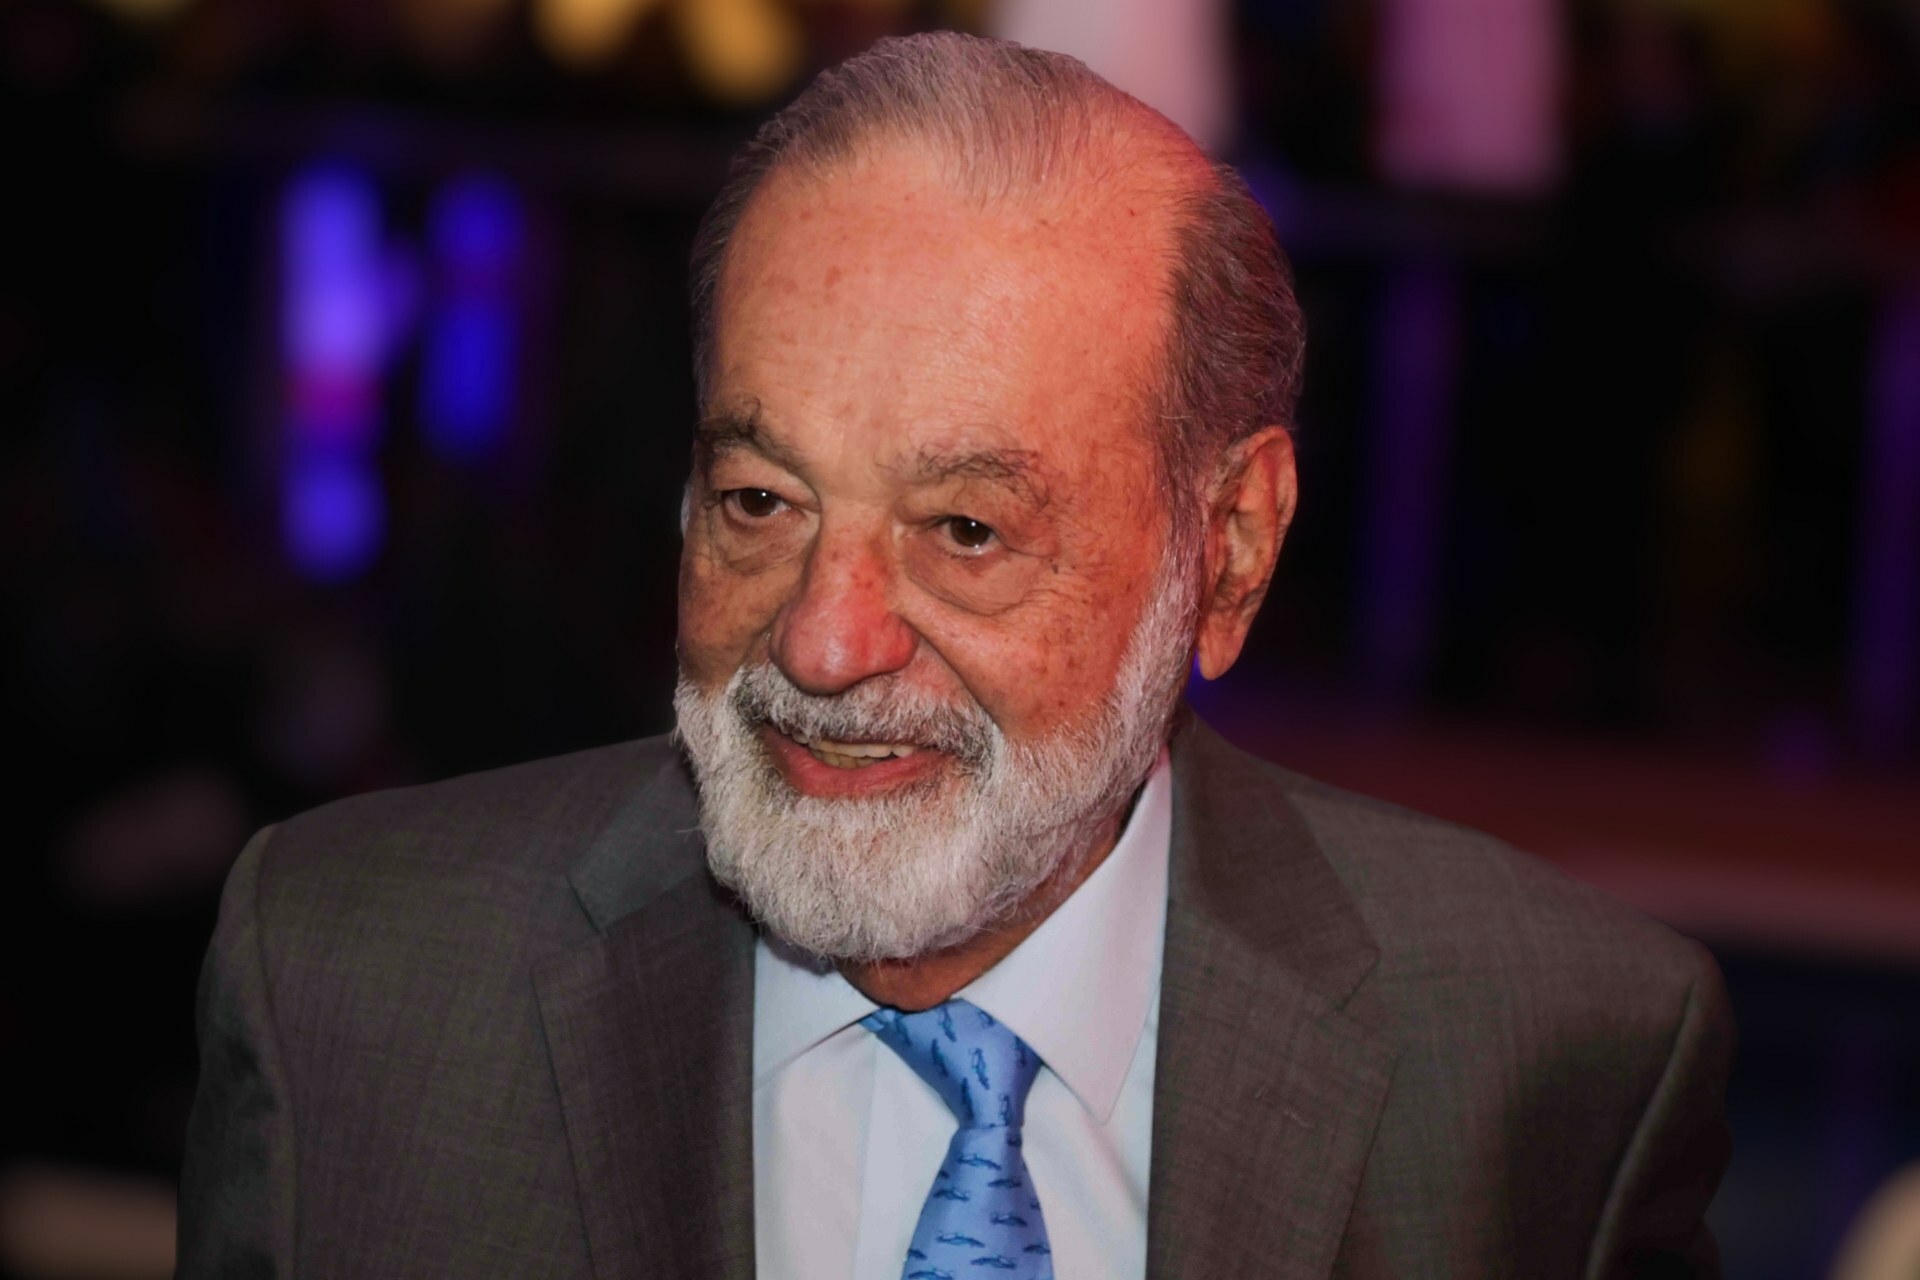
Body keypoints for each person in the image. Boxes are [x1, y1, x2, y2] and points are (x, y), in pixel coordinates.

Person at [178, 31, 1733, 1280]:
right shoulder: (349, 993)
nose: (823, 641)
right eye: (762, 502)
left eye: (966, 531)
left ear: (1230, 551)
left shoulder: (1548, 1072)